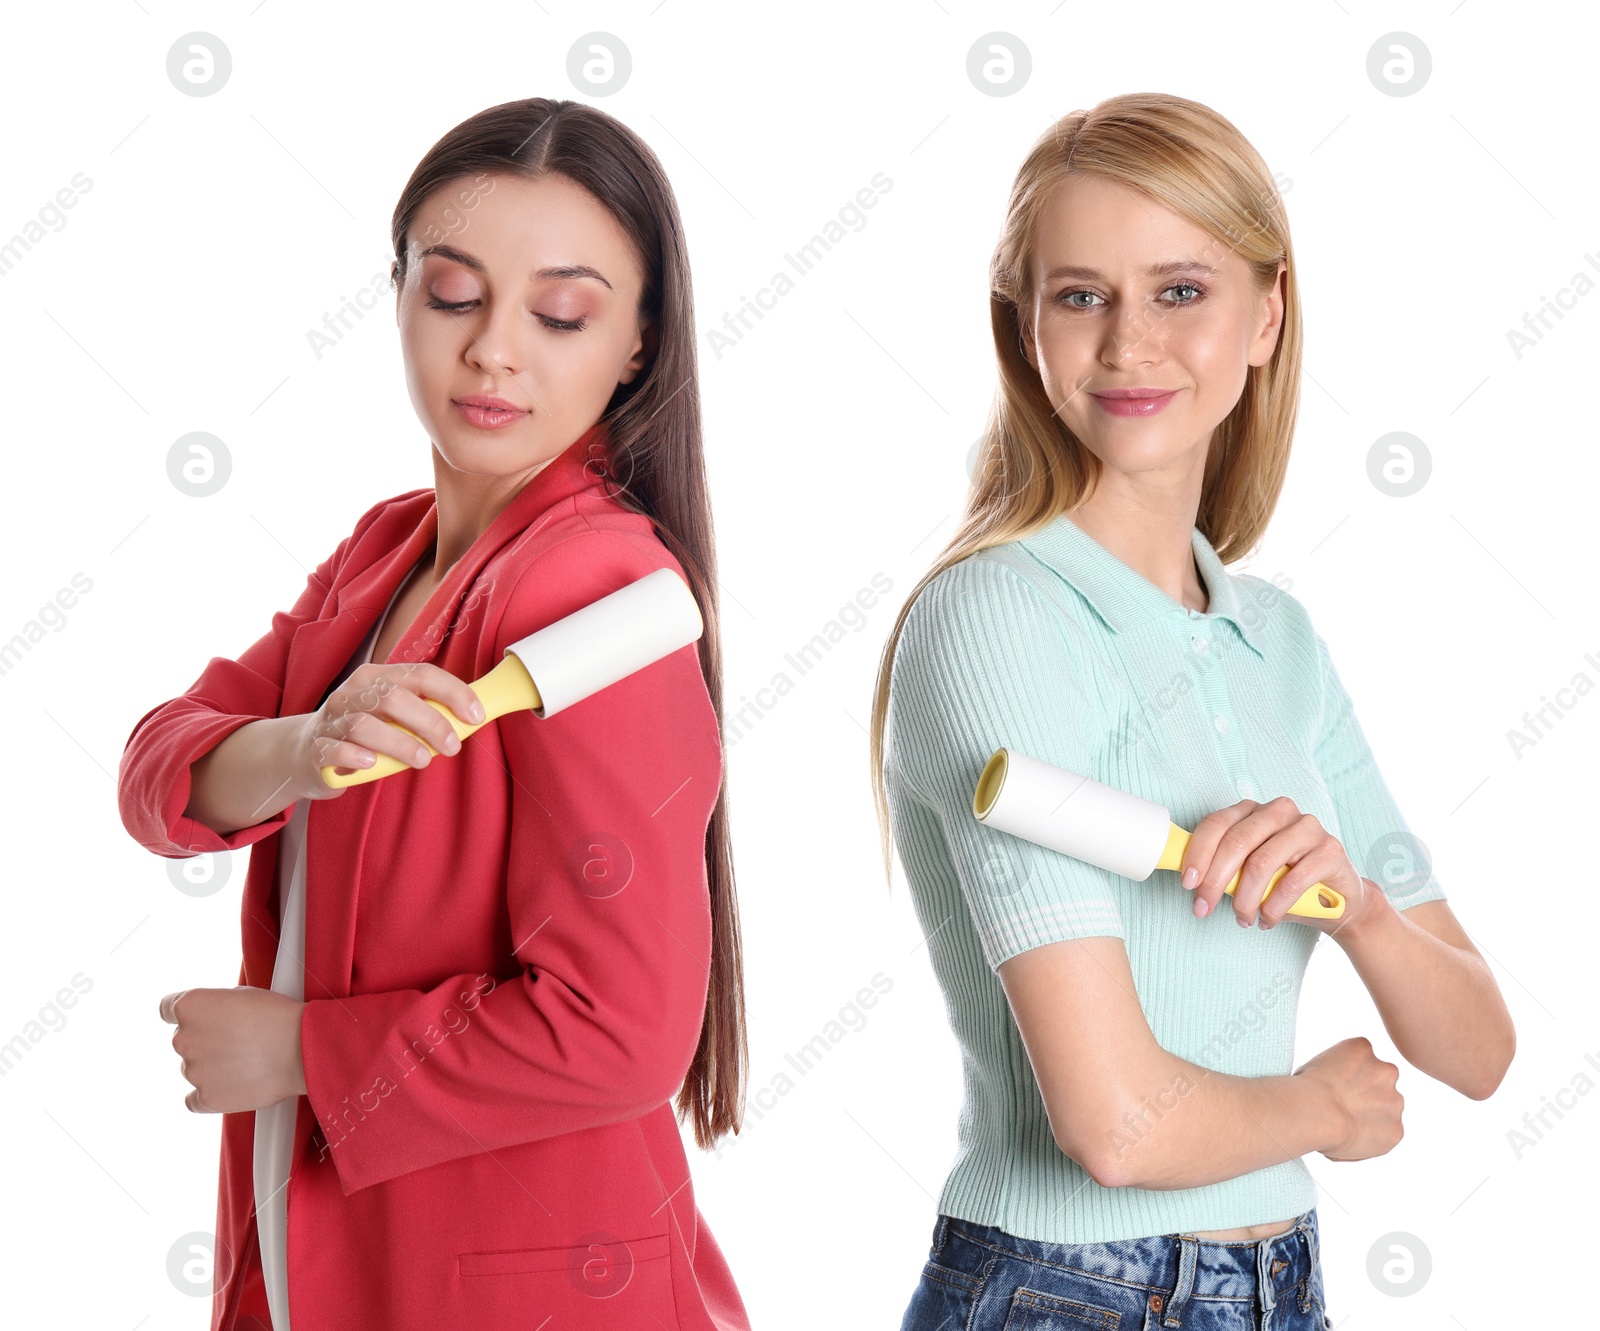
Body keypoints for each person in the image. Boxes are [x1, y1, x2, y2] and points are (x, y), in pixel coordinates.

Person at [868, 92, 1514, 1330]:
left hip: (1280, 1285)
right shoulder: (996, 616)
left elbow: (1478, 1049)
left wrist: (1360, 904)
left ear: (1265, 314)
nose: (1127, 345)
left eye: (1179, 291)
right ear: (1025, 325)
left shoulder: (1272, 636)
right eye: (1078, 295)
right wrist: (1323, 1108)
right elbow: (1114, 1124)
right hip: (1070, 1290)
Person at [117, 98, 751, 1331]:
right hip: (325, 1264)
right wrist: (301, 749)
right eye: (454, 294)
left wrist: (302, 1054)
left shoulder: (592, 595)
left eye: (561, 313)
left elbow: (621, 1031)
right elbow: (160, 768)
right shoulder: (383, 551)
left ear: (636, 342)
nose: (494, 352)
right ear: (398, 293)